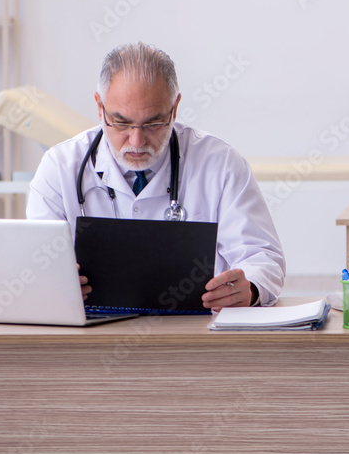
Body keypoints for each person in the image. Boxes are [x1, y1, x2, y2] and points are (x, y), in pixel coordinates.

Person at [27, 42, 285, 309]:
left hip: (196, 329)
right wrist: (52, 284)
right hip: (90, 327)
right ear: (99, 106)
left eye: (153, 123)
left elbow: (262, 256)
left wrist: (250, 288)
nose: (137, 141)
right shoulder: (59, 168)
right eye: (121, 122)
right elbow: (35, 266)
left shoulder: (220, 164)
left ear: (175, 108)